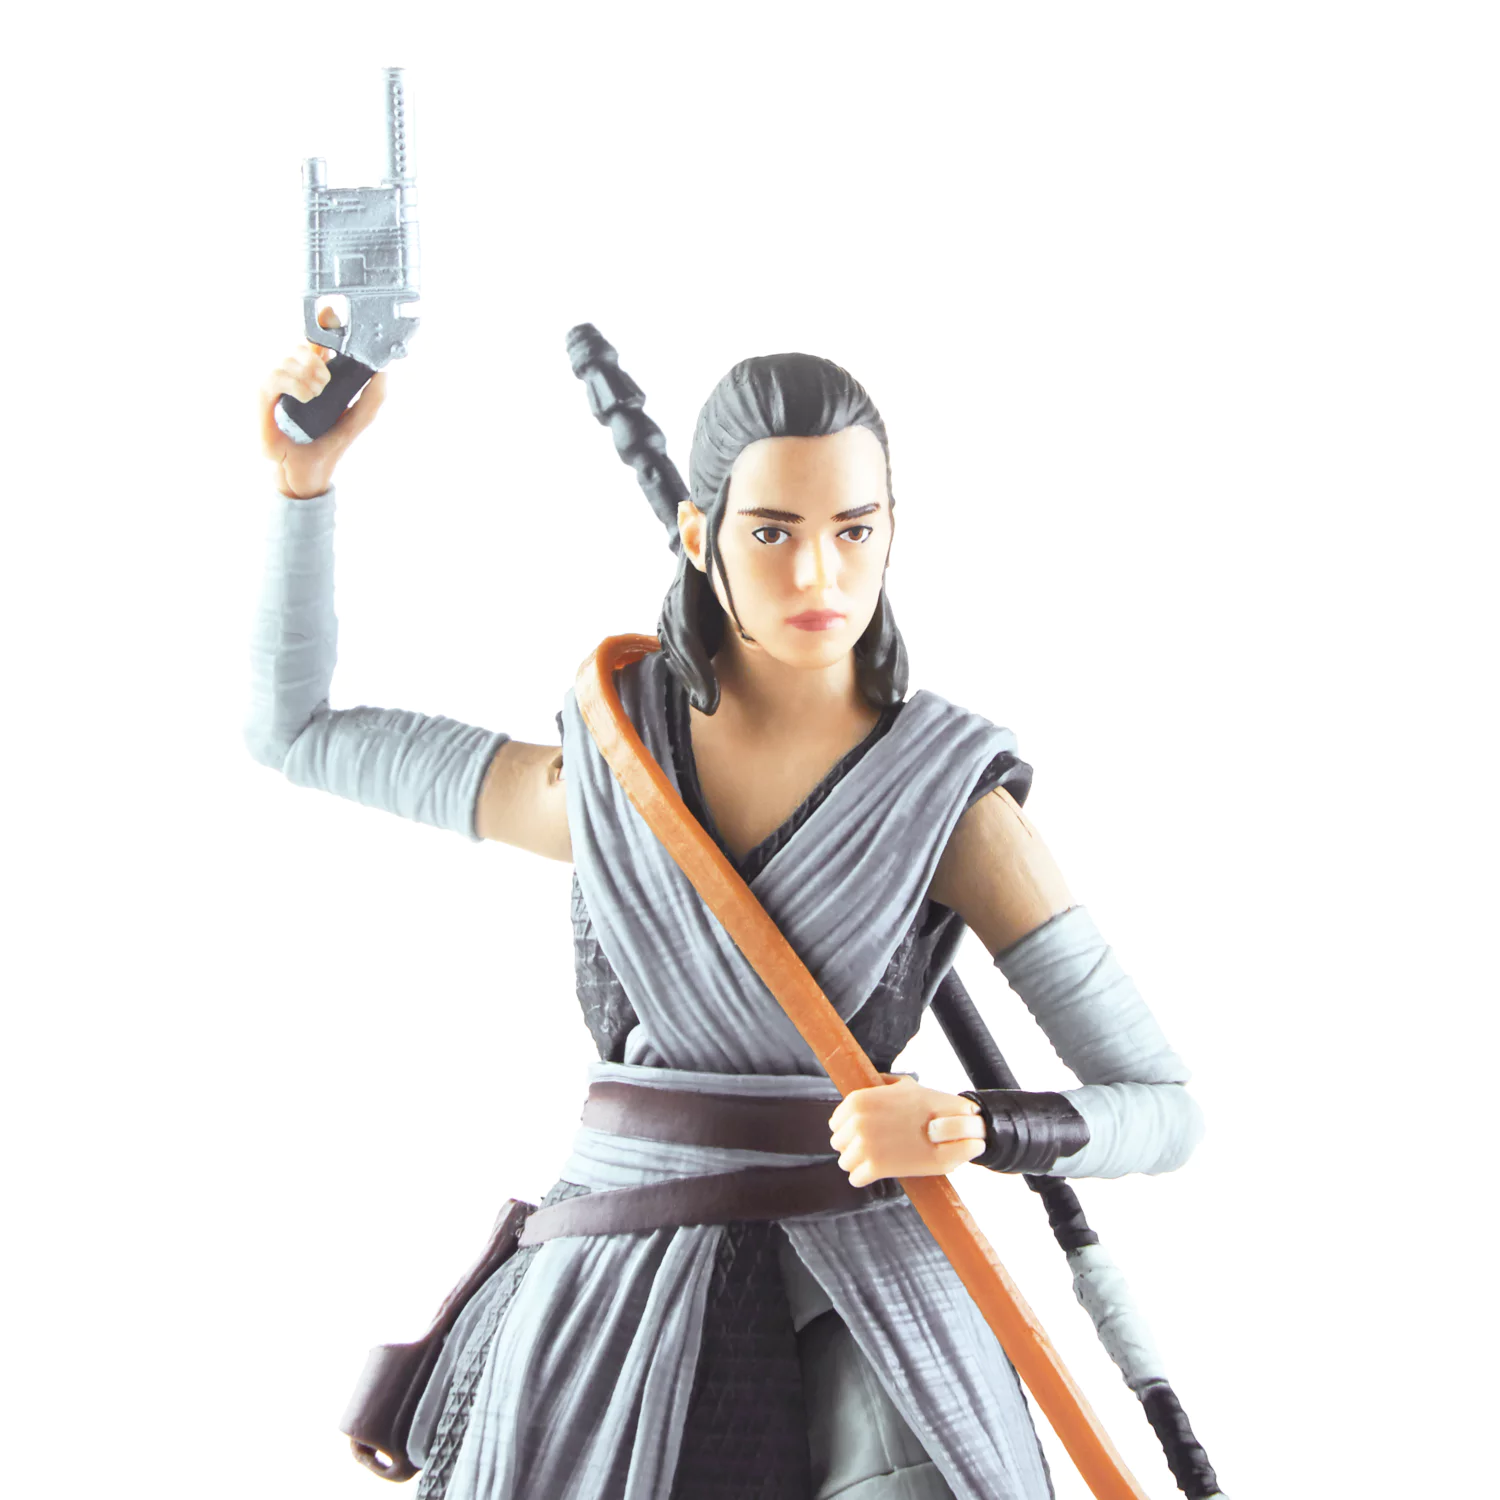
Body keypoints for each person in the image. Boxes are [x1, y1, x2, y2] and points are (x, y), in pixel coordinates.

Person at [249, 330, 1205, 1500]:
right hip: (601, 1294)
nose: (819, 577)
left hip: (862, 1309)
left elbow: (1164, 1110)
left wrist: (973, 1126)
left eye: (854, 531)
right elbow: (294, 734)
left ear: (893, 531)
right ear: (701, 537)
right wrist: (304, 489)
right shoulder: (611, 771)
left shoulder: (954, 804)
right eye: (772, 533)